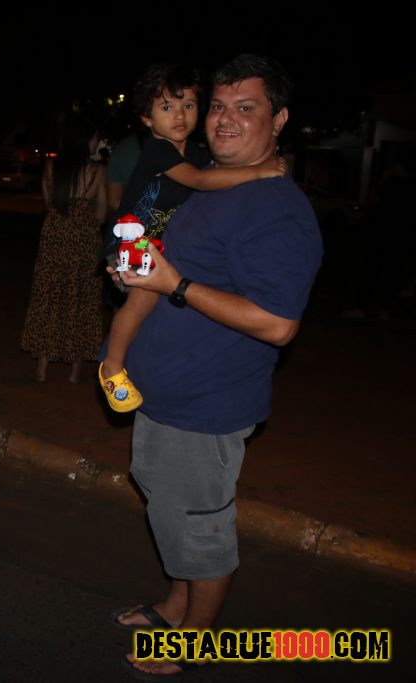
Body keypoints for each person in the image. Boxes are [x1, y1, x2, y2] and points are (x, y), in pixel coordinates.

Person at [108, 55, 322, 677]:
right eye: (219, 106)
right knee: (168, 508)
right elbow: (171, 259)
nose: (224, 119)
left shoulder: (276, 209)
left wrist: (175, 285)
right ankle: (176, 608)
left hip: (205, 408)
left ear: (278, 120)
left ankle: (196, 641)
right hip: (162, 394)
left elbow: (277, 324)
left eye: (245, 108)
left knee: (200, 527)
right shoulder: (211, 184)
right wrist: (138, 274)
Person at [97, 63, 287, 412]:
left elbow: (214, 178)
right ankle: (111, 364)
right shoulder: (158, 149)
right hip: (129, 237)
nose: (179, 115)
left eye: (188, 105)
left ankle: (138, 363)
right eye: (166, 107)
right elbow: (200, 182)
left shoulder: (197, 154)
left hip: (156, 244)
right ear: (147, 118)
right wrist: (258, 171)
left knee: (155, 304)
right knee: (142, 300)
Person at [20, 121, 107, 383]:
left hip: (54, 235)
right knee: (80, 296)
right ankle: (74, 371)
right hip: (83, 238)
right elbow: (102, 212)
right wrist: (85, 222)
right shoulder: (97, 170)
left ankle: (42, 367)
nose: (97, 142)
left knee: (49, 294)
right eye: (95, 138)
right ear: (85, 140)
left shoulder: (51, 166)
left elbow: (49, 202)